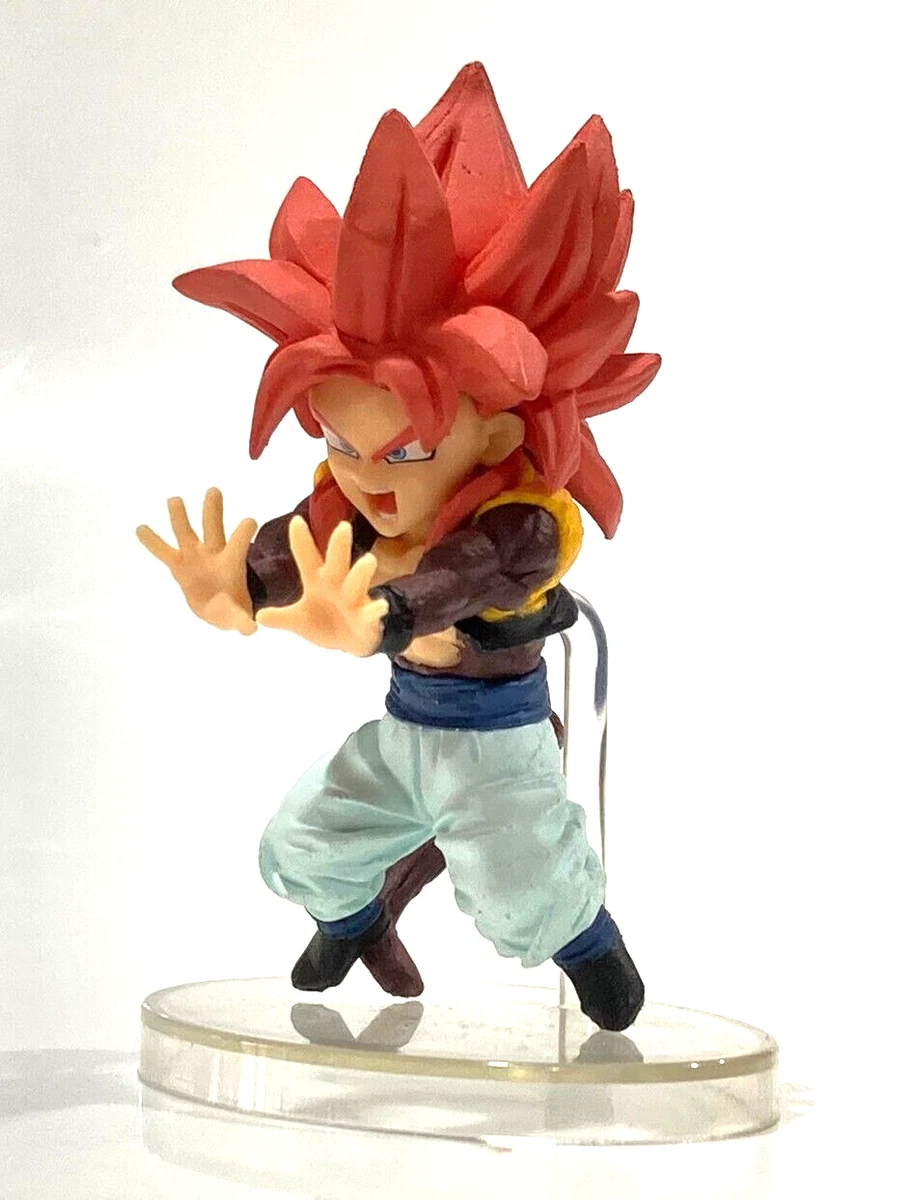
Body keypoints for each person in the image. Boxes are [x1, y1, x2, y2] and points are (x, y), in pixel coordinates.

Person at [137, 63, 660, 1030]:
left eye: (405, 448)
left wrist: (383, 616)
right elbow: (297, 549)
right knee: (302, 845)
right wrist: (238, 586)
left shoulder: (525, 520)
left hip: (497, 747)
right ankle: (359, 921)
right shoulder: (353, 504)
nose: (368, 476)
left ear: (497, 432)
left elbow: (465, 576)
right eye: (341, 441)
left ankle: (595, 955)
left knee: (520, 898)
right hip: (403, 732)